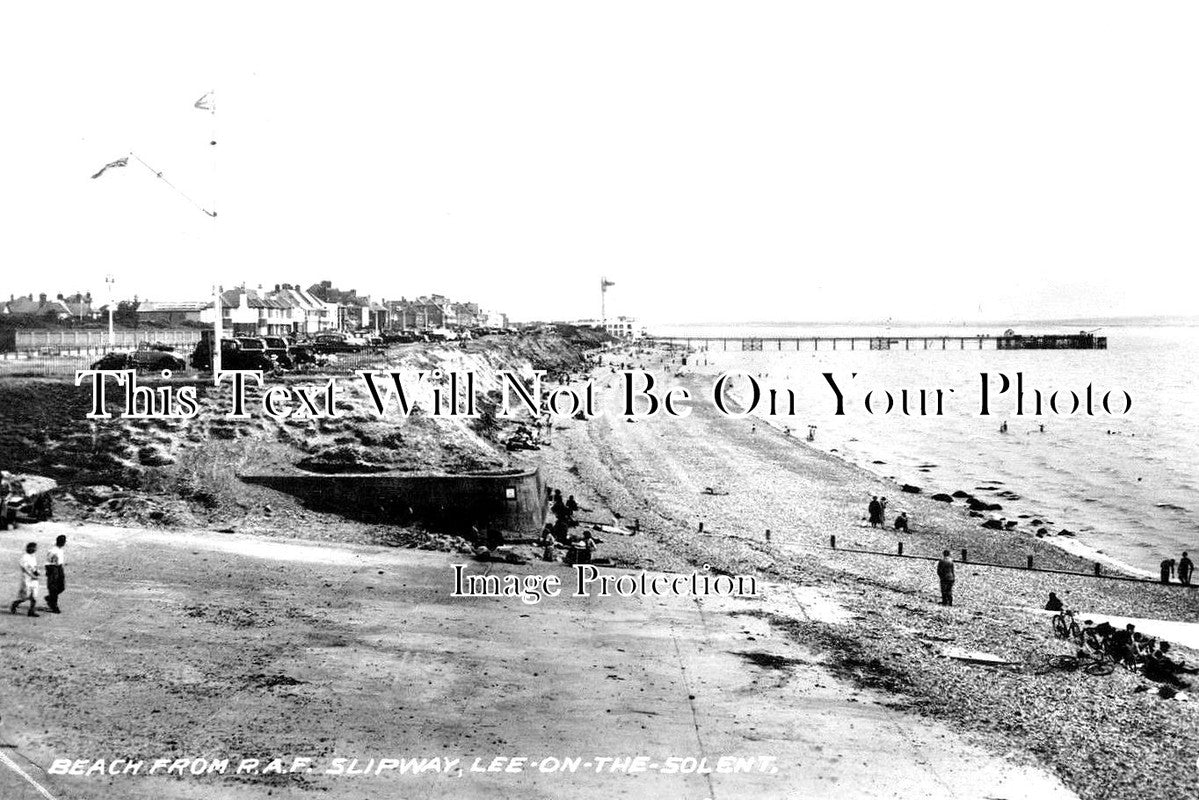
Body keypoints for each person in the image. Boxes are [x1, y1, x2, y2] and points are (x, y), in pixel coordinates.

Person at [10, 542, 39, 618]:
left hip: (34, 579)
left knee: (34, 596)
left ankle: (31, 611)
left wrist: (36, 572)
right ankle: (15, 604)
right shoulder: (24, 557)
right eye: (34, 548)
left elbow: (34, 567)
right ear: (30, 548)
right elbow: (25, 569)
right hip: (27, 579)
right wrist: (32, 575)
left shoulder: (33, 557)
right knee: (25, 596)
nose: (35, 549)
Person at [44, 534, 66, 614]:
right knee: (53, 588)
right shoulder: (53, 551)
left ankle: (50, 598)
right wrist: (50, 572)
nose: (64, 543)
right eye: (63, 541)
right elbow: (48, 562)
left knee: (61, 587)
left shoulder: (60, 549)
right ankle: (54, 606)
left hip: (59, 568)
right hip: (53, 568)